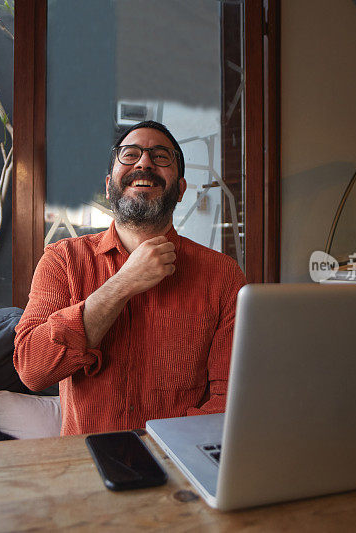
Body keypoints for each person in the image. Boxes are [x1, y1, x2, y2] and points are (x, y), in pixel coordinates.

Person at [14, 120, 247, 435]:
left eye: (161, 156)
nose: (144, 162)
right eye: (131, 154)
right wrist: (121, 285)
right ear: (110, 185)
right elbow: (32, 368)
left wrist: (166, 450)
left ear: (180, 190)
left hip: (179, 464)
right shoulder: (62, 260)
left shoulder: (224, 275)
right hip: (88, 464)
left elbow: (229, 395)